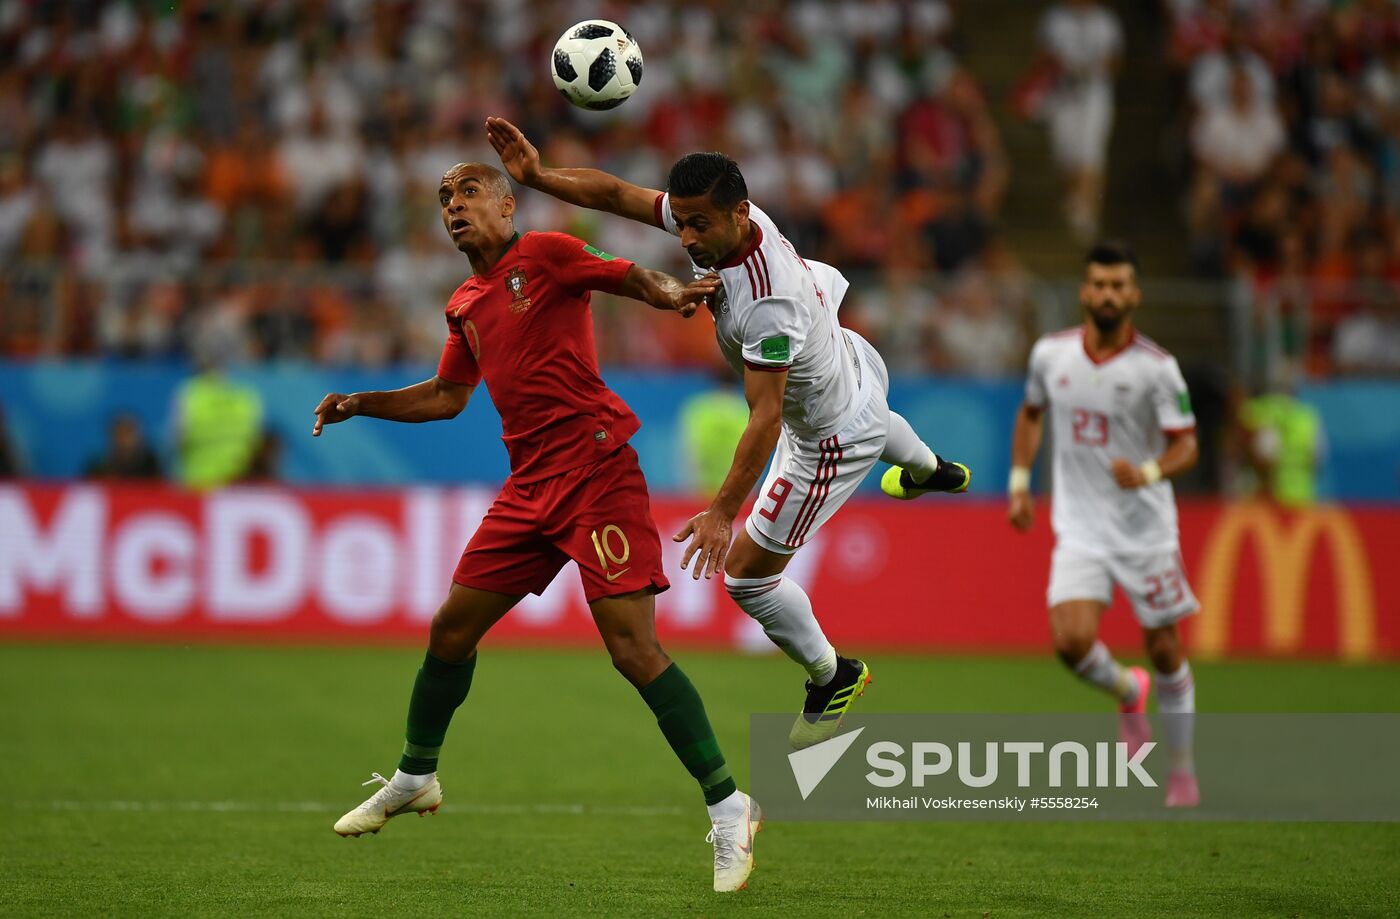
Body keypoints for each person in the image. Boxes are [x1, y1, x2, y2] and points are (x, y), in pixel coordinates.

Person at [315, 162, 760, 893]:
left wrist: (673, 291)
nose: (454, 207)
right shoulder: (465, 300)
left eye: (467, 194)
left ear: (506, 204)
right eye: (443, 199)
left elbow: (628, 276)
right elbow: (447, 395)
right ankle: (414, 775)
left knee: (633, 649)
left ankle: (729, 804)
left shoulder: (547, 255)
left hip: (596, 474)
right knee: (449, 630)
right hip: (528, 489)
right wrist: (361, 401)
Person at [486, 117, 972, 751]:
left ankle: (833, 675)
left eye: (697, 225)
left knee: (747, 578)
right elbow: (615, 196)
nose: (685, 237)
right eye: (680, 222)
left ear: (740, 214)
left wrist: (721, 512)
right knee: (872, 406)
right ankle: (931, 469)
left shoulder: (769, 307)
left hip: (825, 439)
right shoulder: (726, 218)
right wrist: (538, 175)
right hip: (846, 358)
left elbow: (766, 417)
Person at [1007, 241, 1200, 808]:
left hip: (1146, 533)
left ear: (1134, 295)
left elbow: (1186, 444)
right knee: (1069, 641)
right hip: (1081, 527)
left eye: (1119, 286)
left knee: (1165, 649)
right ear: (1084, 292)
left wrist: (1148, 470)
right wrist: (1020, 484)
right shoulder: (1051, 354)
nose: (1109, 294)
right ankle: (1126, 688)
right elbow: (1031, 413)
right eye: (1099, 284)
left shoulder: (1157, 368)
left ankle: (1182, 770)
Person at [84, 413, 163, 480]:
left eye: (128, 432)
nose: (124, 439)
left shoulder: (151, 468)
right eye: (120, 433)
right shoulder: (98, 469)